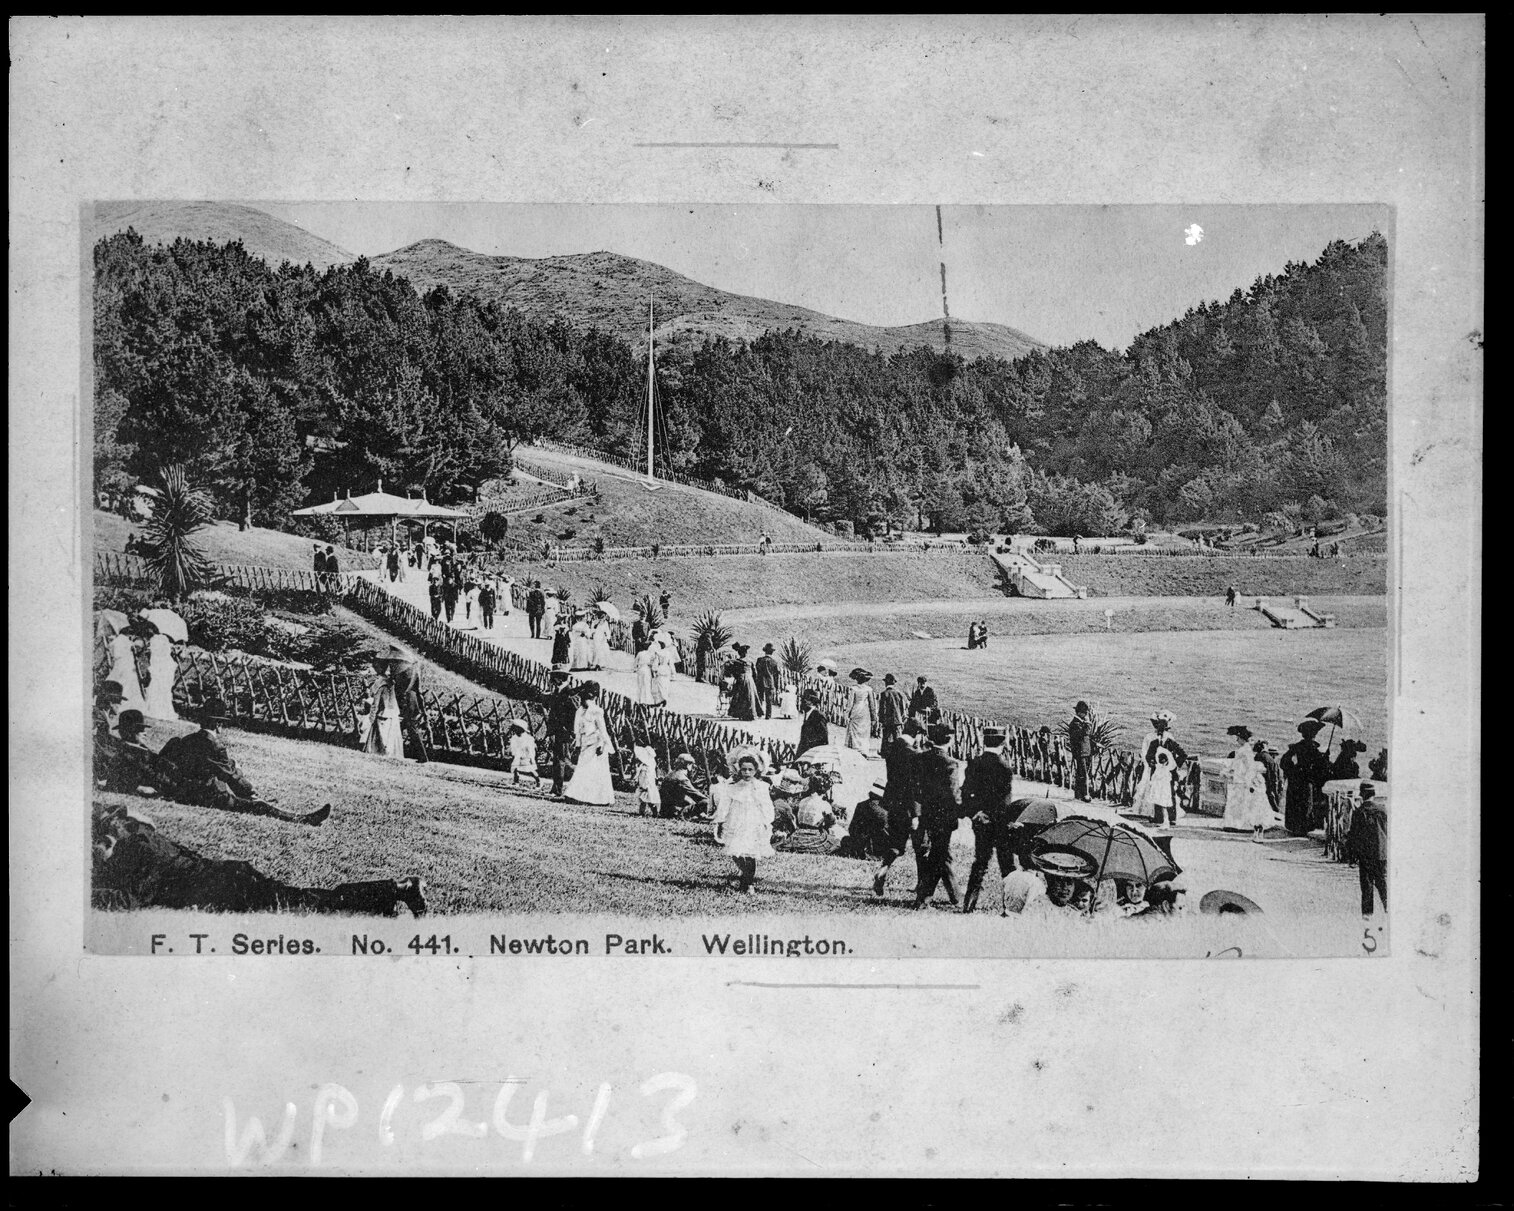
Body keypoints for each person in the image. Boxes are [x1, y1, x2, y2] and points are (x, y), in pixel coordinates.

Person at [93, 804, 425, 916]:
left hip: (229, 888)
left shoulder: (141, 853)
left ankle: (398, 888)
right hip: (227, 878)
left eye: (99, 845)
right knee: (310, 901)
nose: (96, 853)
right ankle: (385, 902)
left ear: (111, 835)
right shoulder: (137, 835)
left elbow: (129, 900)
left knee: (313, 905)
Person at [150, 704, 333, 826]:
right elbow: (231, 776)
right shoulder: (213, 745)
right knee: (260, 807)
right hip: (207, 796)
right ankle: (303, 819)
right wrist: (250, 793)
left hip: (184, 791)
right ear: (219, 724)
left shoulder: (188, 739)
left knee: (250, 798)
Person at [960, 726, 1020, 913]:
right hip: (1000, 824)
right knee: (1007, 866)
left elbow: (965, 792)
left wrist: (976, 813)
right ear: (1003, 743)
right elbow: (1003, 802)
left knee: (980, 862)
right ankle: (1010, 907)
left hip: (981, 822)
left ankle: (968, 904)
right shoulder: (1004, 768)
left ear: (984, 741)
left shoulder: (974, 763)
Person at [912, 723, 964, 909]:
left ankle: (956, 896)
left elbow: (914, 788)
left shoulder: (920, 758)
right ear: (949, 740)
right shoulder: (950, 763)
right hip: (943, 817)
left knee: (943, 855)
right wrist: (962, 810)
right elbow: (953, 794)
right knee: (939, 856)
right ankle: (924, 898)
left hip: (925, 814)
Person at [709, 750, 776, 894]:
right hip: (735, 821)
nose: (746, 773)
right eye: (744, 769)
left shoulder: (761, 787)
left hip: (753, 822)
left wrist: (767, 822)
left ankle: (748, 883)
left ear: (756, 770)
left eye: (750, 769)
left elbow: (767, 805)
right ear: (739, 769)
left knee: (750, 852)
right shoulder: (732, 787)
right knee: (735, 851)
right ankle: (745, 878)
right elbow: (724, 806)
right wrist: (720, 821)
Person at [871, 720, 925, 896]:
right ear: (917, 734)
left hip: (893, 803)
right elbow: (914, 786)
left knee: (896, 842)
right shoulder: (912, 754)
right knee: (921, 846)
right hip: (909, 806)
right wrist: (916, 813)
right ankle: (921, 883)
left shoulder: (892, 747)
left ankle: (884, 869)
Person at [1131, 710, 1188, 828]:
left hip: (1169, 773)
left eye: (1162, 729)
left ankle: (1171, 818)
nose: (1160, 732)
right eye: (1159, 729)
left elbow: (1182, 754)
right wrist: (1153, 765)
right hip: (1157, 772)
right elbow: (1148, 756)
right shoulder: (1154, 742)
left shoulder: (1170, 741)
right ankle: (1159, 817)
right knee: (1157, 792)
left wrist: (1174, 766)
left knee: (1170, 793)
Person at [563, 681, 614, 806]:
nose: (583, 700)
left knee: (595, 772)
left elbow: (602, 730)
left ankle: (600, 799)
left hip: (596, 745)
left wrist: (602, 744)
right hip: (585, 745)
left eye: (585, 697)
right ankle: (577, 796)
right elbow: (578, 731)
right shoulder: (579, 712)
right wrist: (578, 746)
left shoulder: (597, 711)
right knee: (583, 770)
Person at [1221, 731, 1278, 841]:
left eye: (1238, 738)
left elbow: (1249, 767)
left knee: (1247, 805)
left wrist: (1248, 781)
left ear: (1242, 739)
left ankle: (1245, 826)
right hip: (1244, 780)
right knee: (1245, 805)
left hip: (1245, 781)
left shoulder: (1245, 750)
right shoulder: (1246, 750)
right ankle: (1247, 827)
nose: (1236, 740)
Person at [1281, 720, 1331, 835]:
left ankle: (1294, 827)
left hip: (1296, 779)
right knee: (1306, 803)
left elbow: (1284, 761)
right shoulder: (1313, 748)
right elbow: (1321, 765)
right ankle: (1304, 828)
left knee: (1295, 803)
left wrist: (1293, 771)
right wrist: (1326, 757)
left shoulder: (1296, 747)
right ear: (1312, 734)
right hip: (1307, 780)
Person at [384, 644, 430, 764]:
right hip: (413, 704)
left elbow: (400, 691)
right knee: (403, 727)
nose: (392, 665)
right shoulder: (413, 672)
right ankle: (391, 749)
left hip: (407, 705)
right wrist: (422, 708)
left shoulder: (404, 675)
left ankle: (422, 757)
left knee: (412, 729)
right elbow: (418, 691)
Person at [1347, 782, 1388, 916]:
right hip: (1381, 853)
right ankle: (1389, 908)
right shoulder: (1383, 810)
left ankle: (1367, 916)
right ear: (1373, 795)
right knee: (1382, 882)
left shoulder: (1359, 812)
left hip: (1365, 854)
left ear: (1362, 795)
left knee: (1367, 886)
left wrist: (1351, 856)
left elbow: (1353, 836)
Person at [774, 774, 840, 854]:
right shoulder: (824, 804)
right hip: (814, 835)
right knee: (836, 843)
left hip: (798, 835)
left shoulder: (803, 801)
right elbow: (832, 823)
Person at [545, 672, 579, 797]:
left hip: (564, 732)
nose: (552, 681)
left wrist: (569, 731)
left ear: (560, 678)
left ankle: (558, 789)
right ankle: (555, 787)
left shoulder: (569, 693)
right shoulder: (557, 692)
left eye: (554, 678)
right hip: (556, 730)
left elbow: (574, 714)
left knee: (561, 760)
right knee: (557, 760)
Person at [363, 656, 404, 758]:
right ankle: (390, 753)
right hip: (392, 712)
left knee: (382, 735)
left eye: (375, 667)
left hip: (383, 713)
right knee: (390, 736)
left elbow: (375, 703)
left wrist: (371, 717)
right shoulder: (391, 682)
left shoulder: (380, 683)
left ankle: (381, 751)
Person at [104, 623, 148, 716]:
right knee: (129, 683)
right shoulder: (128, 642)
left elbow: (111, 652)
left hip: (118, 664)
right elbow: (135, 651)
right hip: (127, 665)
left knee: (117, 681)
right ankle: (127, 704)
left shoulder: (115, 641)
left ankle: (115, 703)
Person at [141, 626, 179, 721]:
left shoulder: (156, 639)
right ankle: (161, 710)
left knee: (157, 688)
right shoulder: (163, 639)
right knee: (162, 690)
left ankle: (156, 710)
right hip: (165, 666)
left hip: (160, 666)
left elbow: (156, 654)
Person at [659, 754, 709, 819]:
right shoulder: (682, 778)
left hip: (663, 810)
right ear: (688, 765)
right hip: (674, 811)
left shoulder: (669, 774)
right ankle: (684, 815)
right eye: (692, 765)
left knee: (689, 800)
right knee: (705, 801)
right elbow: (696, 795)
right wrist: (707, 799)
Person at [844, 668, 877, 754]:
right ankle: (864, 749)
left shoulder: (853, 689)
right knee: (864, 730)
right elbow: (872, 705)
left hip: (856, 709)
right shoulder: (868, 689)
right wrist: (874, 717)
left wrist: (847, 714)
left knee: (855, 730)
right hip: (865, 711)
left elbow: (850, 703)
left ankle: (855, 748)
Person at [1067, 700, 1095, 802]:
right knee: (1083, 774)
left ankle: (1078, 794)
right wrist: (1088, 724)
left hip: (1085, 751)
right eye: (1085, 712)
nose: (1086, 715)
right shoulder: (1075, 724)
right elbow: (1084, 734)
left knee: (1081, 773)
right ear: (1080, 713)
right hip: (1081, 752)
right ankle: (1085, 794)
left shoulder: (1079, 723)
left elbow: (1087, 737)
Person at [724, 644, 759, 722]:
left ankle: (741, 714)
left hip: (741, 679)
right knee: (750, 696)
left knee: (740, 696)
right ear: (746, 653)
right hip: (750, 680)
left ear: (739, 654)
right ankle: (751, 714)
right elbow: (755, 673)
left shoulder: (736, 662)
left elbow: (733, 672)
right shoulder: (750, 661)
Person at [506, 720, 540, 786]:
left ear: (521, 729)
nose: (515, 730)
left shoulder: (528, 738)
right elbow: (513, 746)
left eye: (517, 728)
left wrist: (531, 758)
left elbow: (530, 749)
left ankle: (538, 781)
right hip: (518, 755)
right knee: (515, 768)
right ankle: (516, 782)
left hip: (526, 756)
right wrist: (513, 753)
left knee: (530, 769)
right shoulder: (515, 737)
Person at [877, 673, 907, 747]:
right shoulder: (898, 693)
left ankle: (885, 752)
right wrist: (901, 718)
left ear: (886, 683)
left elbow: (882, 709)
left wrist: (881, 720)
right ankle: (899, 753)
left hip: (887, 720)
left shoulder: (884, 694)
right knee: (897, 737)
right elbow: (902, 708)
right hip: (897, 719)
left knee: (886, 737)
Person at [754, 643, 783, 720]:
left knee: (759, 698)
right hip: (770, 682)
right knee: (769, 699)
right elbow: (776, 675)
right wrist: (776, 685)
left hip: (760, 681)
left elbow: (757, 670)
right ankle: (768, 715)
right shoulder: (774, 662)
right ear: (772, 652)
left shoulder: (759, 660)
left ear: (765, 651)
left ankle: (759, 714)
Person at [797, 690, 829, 754]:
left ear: (811, 702)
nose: (801, 703)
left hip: (813, 753)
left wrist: (810, 746)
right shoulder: (807, 714)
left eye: (804, 700)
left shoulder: (819, 716)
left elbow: (824, 738)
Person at [651, 636, 676, 706]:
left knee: (659, 685)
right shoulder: (668, 653)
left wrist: (654, 669)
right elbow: (671, 664)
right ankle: (664, 698)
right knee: (666, 685)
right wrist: (673, 673)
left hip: (660, 668)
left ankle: (662, 699)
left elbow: (656, 662)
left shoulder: (658, 653)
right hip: (667, 669)